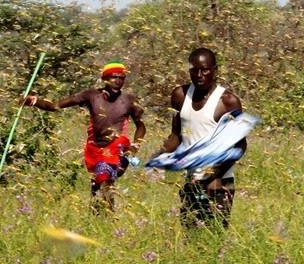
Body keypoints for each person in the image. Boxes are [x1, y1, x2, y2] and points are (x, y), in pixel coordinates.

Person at [23, 61, 145, 212]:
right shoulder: (92, 95)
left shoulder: (129, 100)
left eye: (122, 78)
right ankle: (99, 219)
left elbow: (141, 126)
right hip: (94, 148)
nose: (118, 81)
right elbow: (55, 106)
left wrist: (134, 147)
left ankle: (107, 217)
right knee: (96, 186)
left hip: (117, 146)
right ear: (105, 78)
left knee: (104, 178)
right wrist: (34, 101)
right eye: (114, 77)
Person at [156, 47, 246, 228]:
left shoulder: (228, 102)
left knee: (215, 240)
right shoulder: (179, 96)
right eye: (194, 70)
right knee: (190, 240)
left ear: (215, 70)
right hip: (191, 182)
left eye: (205, 69)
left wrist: (214, 174)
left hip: (218, 184)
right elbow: (176, 135)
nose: (199, 74)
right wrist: (161, 157)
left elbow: (240, 145)